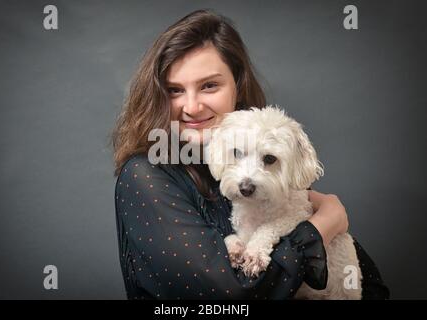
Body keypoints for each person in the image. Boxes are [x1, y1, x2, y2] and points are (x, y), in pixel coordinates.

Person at [111, 9, 389, 300]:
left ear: (238, 86)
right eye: (174, 90)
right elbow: (233, 297)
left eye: (209, 86)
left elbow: (368, 285)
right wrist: (324, 224)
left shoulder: (266, 161)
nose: (191, 107)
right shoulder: (145, 176)